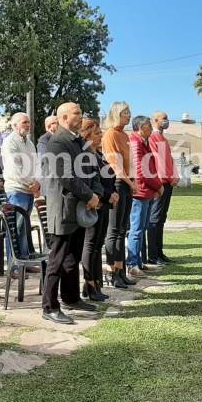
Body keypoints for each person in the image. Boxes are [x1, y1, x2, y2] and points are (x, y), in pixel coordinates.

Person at [41, 102, 102, 324]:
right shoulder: (58, 141)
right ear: (64, 117)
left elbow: (93, 170)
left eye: (80, 112)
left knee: (72, 257)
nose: (81, 115)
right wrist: (89, 196)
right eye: (77, 113)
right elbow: (65, 177)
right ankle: (49, 306)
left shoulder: (78, 141)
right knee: (57, 259)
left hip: (80, 208)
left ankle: (71, 298)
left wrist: (96, 192)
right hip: (64, 209)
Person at [78, 118, 118, 301]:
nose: (101, 136)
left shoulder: (98, 154)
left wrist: (114, 192)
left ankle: (96, 284)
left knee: (97, 246)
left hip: (105, 205)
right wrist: (105, 196)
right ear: (86, 135)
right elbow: (92, 182)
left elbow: (108, 177)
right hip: (96, 205)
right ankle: (90, 284)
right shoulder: (86, 156)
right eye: (97, 133)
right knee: (90, 246)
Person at [101, 101, 136, 288]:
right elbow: (115, 164)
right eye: (125, 113)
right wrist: (130, 182)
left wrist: (134, 180)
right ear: (116, 114)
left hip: (127, 183)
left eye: (129, 112)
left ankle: (121, 271)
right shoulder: (110, 134)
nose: (129, 116)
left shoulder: (125, 135)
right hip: (117, 183)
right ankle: (113, 272)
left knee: (123, 229)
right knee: (113, 231)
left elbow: (130, 161)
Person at [1, 112, 40, 272]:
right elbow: (15, 167)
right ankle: (14, 265)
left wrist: (37, 183)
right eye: (24, 122)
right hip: (16, 189)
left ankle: (25, 262)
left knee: (25, 227)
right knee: (15, 228)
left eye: (28, 122)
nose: (27, 125)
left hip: (29, 190)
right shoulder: (10, 142)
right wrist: (32, 183)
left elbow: (37, 164)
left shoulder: (29, 143)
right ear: (14, 125)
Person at [126, 116, 163, 277]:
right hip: (140, 192)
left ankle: (139, 262)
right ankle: (132, 264)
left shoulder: (143, 141)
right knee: (136, 230)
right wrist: (158, 185)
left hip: (146, 191)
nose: (151, 127)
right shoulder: (135, 143)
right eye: (148, 125)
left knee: (141, 229)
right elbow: (141, 171)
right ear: (141, 127)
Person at [145, 111, 179, 265]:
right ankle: (152, 255)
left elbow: (169, 160)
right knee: (155, 218)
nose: (167, 121)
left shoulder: (163, 138)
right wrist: (167, 178)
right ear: (155, 120)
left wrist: (175, 175)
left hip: (168, 182)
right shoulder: (153, 137)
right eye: (164, 118)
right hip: (160, 183)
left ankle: (159, 252)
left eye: (167, 118)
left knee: (161, 218)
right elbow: (158, 161)